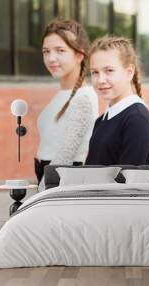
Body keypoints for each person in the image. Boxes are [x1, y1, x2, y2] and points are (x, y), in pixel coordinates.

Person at [35, 19, 98, 189]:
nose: (51, 58)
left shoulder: (83, 97)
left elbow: (65, 155)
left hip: (61, 182)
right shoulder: (61, 95)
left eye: (60, 51)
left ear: (79, 55)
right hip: (50, 179)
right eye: (46, 51)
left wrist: (42, 192)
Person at [85, 36, 149, 165]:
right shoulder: (101, 120)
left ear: (129, 72)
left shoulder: (137, 119)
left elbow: (128, 180)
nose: (100, 79)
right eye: (95, 72)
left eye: (109, 70)